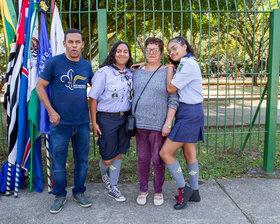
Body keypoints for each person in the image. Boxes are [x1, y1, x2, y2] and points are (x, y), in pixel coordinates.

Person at [36, 28, 94, 214]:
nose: (74, 45)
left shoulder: (86, 66)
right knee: (59, 162)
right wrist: (51, 111)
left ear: (83, 44)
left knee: (82, 161)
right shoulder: (54, 63)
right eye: (71, 42)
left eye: (78, 42)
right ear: (64, 44)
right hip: (59, 124)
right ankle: (59, 195)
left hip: (83, 123)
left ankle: (79, 192)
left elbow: (98, 86)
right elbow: (40, 87)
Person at [160, 37, 204, 210]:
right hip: (192, 112)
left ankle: (183, 189)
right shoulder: (187, 63)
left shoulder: (188, 64)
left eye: (175, 48)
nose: (172, 52)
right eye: (169, 50)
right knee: (189, 154)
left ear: (185, 46)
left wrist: (170, 68)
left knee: (165, 153)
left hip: (189, 114)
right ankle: (194, 191)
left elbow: (171, 88)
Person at [132, 37, 178, 206]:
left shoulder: (167, 71)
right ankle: (143, 190)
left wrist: (167, 123)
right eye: (148, 49)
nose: (151, 53)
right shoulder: (137, 72)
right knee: (143, 158)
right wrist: (139, 64)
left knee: (158, 159)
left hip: (159, 126)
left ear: (161, 53)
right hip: (139, 125)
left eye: (155, 50)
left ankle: (158, 191)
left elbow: (173, 100)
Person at [88, 41, 133, 202]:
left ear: (129, 55)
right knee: (108, 157)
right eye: (118, 51)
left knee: (119, 152)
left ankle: (113, 186)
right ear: (113, 53)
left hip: (125, 118)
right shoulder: (104, 73)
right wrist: (94, 122)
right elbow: (93, 98)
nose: (122, 54)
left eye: (125, 52)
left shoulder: (130, 72)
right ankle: (104, 175)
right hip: (107, 118)